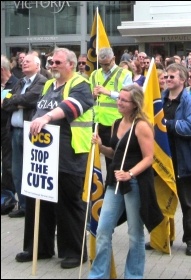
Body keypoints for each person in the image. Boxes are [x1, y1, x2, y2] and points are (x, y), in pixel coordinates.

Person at [15, 48, 94, 269]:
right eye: (51, 62)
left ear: (70, 64)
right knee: (38, 199)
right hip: (42, 155)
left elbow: (72, 106)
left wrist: (48, 117)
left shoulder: (81, 84)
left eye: (58, 62)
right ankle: (39, 248)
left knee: (69, 204)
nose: (53, 65)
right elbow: (38, 111)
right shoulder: (49, 85)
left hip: (70, 153)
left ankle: (74, 253)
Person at [88, 84, 163, 279]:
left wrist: (130, 174)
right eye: (118, 98)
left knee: (134, 234)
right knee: (103, 229)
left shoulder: (142, 125)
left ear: (135, 104)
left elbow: (149, 158)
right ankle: (98, 275)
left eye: (123, 100)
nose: (118, 102)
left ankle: (134, 275)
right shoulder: (116, 122)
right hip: (114, 183)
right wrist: (101, 147)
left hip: (135, 184)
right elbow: (115, 153)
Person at [2, 54, 47, 218]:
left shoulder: (41, 81)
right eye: (23, 62)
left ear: (37, 65)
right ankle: (23, 204)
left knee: (31, 170)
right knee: (16, 171)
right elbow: (5, 101)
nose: (23, 64)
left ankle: (32, 206)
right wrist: (16, 102)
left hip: (30, 133)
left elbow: (31, 99)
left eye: (27, 62)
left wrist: (14, 101)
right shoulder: (20, 82)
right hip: (14, 132)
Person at [162, 63, 191, 256]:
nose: (167, 80)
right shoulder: (160, 99)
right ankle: (161, 238)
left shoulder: (190, 102)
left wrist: (168, 124)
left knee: (187, 202)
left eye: (172, 77)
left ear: (182, 81)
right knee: (160, 199)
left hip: (182, 159)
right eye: (166, 77)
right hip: (162, 159)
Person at [90, 47, 133, 187]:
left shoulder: (125, 74)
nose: (104, 67)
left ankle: (112, 185)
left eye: (107, 64)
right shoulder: (95, 74)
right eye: (101, 64)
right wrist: (93, 95)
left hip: (115, 123)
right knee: (94, 158)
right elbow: (89, 97)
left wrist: (108, 92)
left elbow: (129, 96)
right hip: (96, 121)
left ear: (114, 59)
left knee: (112, 158)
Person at [1, 55, 18, 214]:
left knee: (8, 164)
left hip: (7, 129)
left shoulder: (16, 84)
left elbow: (13, 104)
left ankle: (7, 197)